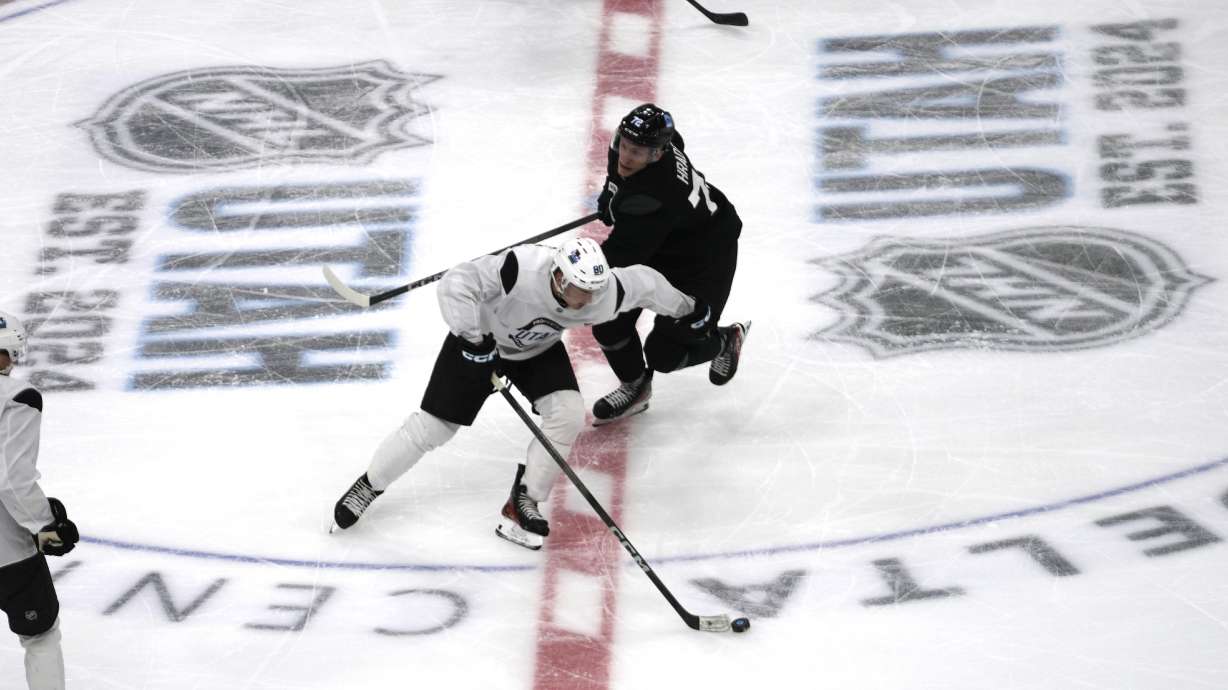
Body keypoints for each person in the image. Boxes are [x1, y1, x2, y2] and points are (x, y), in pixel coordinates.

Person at [330, 238, 709, 550]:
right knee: (434, 428)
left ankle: (523, 500)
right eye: (580, 290)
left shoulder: (602, 293)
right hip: (480, 343)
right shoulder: (521, 268)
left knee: (567, 412)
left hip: (536, 350)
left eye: (592, 291)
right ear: (558, 276)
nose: (587, 300)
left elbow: (646, 283)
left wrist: (688, 309)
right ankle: (369, 485)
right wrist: (472, 338)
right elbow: (457, 283)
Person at [591, 103, 749, 426]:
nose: (625, 155)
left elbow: (617, 259)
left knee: (665, 353)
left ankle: (724, 340)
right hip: (664, 239)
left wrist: (568, 274)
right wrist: (612, 192)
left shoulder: (653, 197)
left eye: (637, 152)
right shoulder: (648, 145)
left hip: (705, 258)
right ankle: (636, 387)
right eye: (625, 144)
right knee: (608, 320)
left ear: (657, 154)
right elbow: (676, 140)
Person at [0, 311, 79, 690]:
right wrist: (46, 525)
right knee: (40, 636)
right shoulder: (17, 397)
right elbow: (12, 481)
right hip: (8, 553)